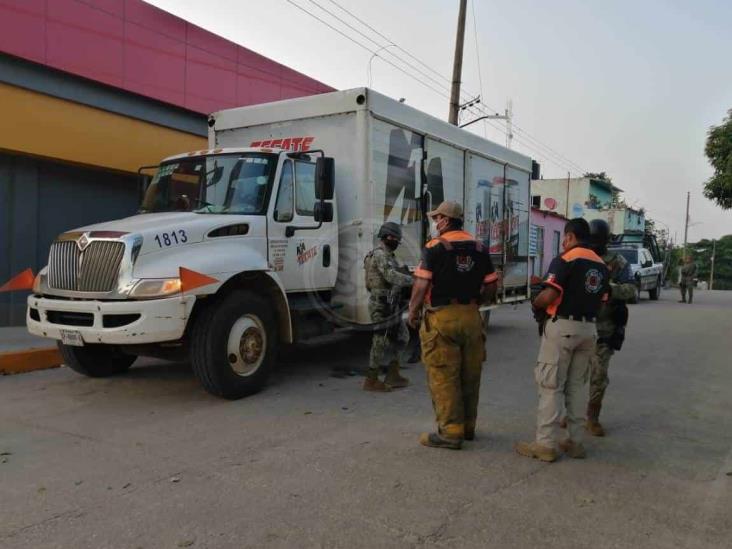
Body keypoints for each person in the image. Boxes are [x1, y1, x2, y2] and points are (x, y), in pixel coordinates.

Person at [515, 218, 609, 462]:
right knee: (577, 387)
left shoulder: (566, 259)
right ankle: (575, 442)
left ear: (569, 237)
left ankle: (545, 444)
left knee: (550, 385)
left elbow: (550, 293)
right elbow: (604, 300)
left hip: (563, 326)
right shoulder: (601, 265)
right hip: (589, 329)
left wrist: (536, 303)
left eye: (564, 239)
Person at [407, 201, 498, 450]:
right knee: (470, 374)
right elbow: (491, 284)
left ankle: (450, 432)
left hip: (441, 318)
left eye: (437, 219)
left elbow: (422, 284)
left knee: (444, 375)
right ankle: (468, 428)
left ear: (446, 220)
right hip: (471, 316)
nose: (436, 223)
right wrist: (476, 303)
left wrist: (413, 312)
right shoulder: (480, 248)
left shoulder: (434, 248)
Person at [585, 219, 637, 436]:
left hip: (604, 329)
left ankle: (592, 418)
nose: (594, 245)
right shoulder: (581, 258)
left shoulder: (618, 262)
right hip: (579, 324)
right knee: (572, 375)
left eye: (598, 241)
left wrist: (609, 288)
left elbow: (631, 290)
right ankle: (569, 415)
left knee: (598, 376)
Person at [363, 222, 413, 392]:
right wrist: (414, 280)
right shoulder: (379, 255)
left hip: (391, 303)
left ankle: (393, 373)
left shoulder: (389, 256)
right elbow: (390, 276)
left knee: (403, 336)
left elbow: (395, 276)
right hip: (380, 303)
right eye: (393, 238)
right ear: (385, 237)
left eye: (396, 239)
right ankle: (371, 379)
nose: (395, 241)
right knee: (380, 340)